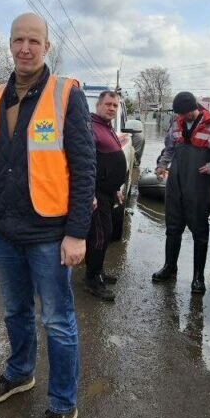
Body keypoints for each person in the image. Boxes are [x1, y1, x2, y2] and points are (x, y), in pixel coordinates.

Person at [0, 12, 95, 418]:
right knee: (14, 312)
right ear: (10, 44)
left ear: (46, 47)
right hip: (4, 230)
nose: (25, 48)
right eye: (18, 40)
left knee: (58, 322)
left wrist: (76, 232)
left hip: (48, 233)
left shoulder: (66, 95)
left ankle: (63, 404)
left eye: (34, 41)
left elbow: (84, 168)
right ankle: (20, 372)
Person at [152, 91, 210, 293]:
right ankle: (169, 267)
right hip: (175, 183)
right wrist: (162, 165)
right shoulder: (176, 124)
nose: (182, 118)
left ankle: (198, 277)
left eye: (185, 114)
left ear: (194, 108)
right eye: (180, 115)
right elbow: (169, 149)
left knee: (200, 232)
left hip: (199, 184)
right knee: (173, 228)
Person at [84, 90, 127, 301]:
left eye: (115, 105)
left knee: (104, 233)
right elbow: (86, 164)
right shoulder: (90, 127)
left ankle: (97, 271)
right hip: (96, 193)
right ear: (98, 105)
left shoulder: (107, 128)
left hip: (108, 192)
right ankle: (92, 280)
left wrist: (116, 188)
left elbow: (110, 163)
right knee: (101, 235)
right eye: (108, 104)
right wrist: (89, 193)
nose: (111, 108)